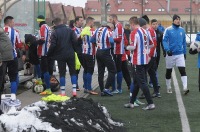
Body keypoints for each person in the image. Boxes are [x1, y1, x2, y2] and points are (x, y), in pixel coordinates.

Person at [124, 16, 155, 110]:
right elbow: (152, 44)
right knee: (136, 82)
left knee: (141, 82)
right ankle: (131, 102)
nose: (130, 27)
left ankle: (150, 103)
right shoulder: (145, 31)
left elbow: (133, 47)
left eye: (130, 25)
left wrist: (126, 47)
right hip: (144, 60)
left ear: (133, 24)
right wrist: (144, 50)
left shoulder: (134, 32)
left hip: (137, 61)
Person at [47, 17, 78, 97]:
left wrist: (49, 53)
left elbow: (53, 44)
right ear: (62, 21)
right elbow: (75, 41)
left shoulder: (55, 32)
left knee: (62, 73)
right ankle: (74, 91)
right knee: (73, 72)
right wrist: (75, 50)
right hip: (70, 54)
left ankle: (63, 92)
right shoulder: (70, 31)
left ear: (54, 24)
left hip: (60, 55)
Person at [163, 14, 189, 95]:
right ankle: (168, 87)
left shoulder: (182, 30)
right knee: (169, 71)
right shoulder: (168, 30)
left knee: (182, 70)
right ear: (173, 20)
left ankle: (185, 87)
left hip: (180, 54)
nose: (178, 21)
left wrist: (184, 53)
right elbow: (164, 41)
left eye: (179, 19)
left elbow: (184, 43)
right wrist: (167, 50)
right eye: (176, 19)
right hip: (170, 54)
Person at [90, 21, 116, 96]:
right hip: (106, 52)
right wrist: (111, 46)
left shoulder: (97, 30)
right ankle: (106, 88)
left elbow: (91, 40)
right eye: (112, 28)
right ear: (109, 27)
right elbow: (111, 41)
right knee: (113, 70)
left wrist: (98, 44)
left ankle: (101, 90)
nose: (112, 30)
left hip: (98, 52)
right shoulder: (108, 31)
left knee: (101, 72)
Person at [3, 16, 23, 94]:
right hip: (12, 56)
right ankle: (13, 96)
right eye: (13, 22)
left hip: (2, 58)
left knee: (1, 77)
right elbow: (19, 45)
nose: (14, 24)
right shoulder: (15, 32)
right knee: (13, 77)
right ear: (10, 22)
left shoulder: (1, 30)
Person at [80, 17, 98, 95]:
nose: (93, 24)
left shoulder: (83, 30)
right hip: (90, 53)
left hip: (83, 52)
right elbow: (95, 41)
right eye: (93, 22)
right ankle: (89, 88)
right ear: (90, 22)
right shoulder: (91, 31)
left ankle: (85, 87)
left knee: (86, 70)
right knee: (90, 71)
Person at [36, 15, 52, 95]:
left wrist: (35, 42)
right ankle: (46, 86)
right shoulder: (48, 27)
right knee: (46, 70)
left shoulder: (42, 27)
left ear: (39, 21)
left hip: (44, 52)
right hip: (48, 51)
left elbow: (42, 39)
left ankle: (48, 88)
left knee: (45, 70)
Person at [0, 8, 15, 94]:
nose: (1, 15)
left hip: (5, 58)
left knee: (2, 79)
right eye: (0, 13)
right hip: (2, 59)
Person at [109, 14, 124, 94]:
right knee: (116, 69)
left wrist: (110, 39)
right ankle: (115, 87)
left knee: (118, 69)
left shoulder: (119, 26)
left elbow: (119, 39)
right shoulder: (116, 27)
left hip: (118, 51)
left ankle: (118, 88)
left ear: (114, 19)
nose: (110, 21)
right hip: (115, 50)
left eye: (111, 19)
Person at [73, 16, 84, 91]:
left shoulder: (82, 29)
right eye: (80, 20)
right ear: (76, 21)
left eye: (82, 20)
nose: (82, 22)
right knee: (76, 69)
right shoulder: (73, 30)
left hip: (83, 51)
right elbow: (75, 40)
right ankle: (75, 85)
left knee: (86, 68)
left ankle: (86, 84)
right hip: (76, 52)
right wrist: (81, 37)